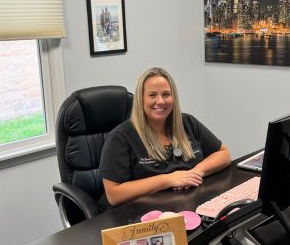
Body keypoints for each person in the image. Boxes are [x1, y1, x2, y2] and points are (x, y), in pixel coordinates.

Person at [99, 67, 231, 207]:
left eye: (166, 94)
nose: (160, 101)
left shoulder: (187, 122)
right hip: (144, 215)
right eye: (152, 95)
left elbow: (224, 154)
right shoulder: (120, 137)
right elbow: (114, 195)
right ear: (140, 99)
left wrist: (194, 173)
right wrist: (168, 180)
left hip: (191, 205)